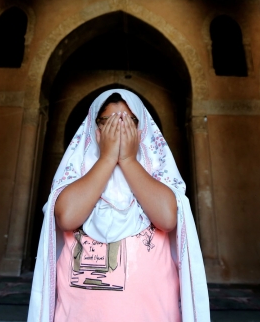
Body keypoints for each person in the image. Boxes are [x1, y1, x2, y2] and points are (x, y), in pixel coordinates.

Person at [27, 89, 210, 322]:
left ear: (141, 128)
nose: (119, 129)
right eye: (110, 122)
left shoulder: (156, 170)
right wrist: (106, 158)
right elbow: (67, 217)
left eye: (128, 121)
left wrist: (128, 160)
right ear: (96, 131)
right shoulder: (78, 171)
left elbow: (167, 217)